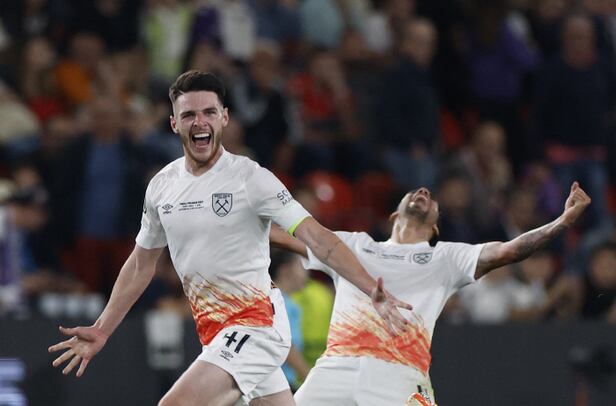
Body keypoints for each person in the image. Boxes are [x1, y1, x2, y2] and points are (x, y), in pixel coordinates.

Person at [47, 70, 411, 406]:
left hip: (256, 325)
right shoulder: (161, 187)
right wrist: (102, 329)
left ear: (224, 118)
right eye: (189, 115)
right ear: (174, 123)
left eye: (209, 112)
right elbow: (141, 263)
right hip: (215, 331)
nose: (199, 122)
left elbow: (319, 238)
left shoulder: (251, 179)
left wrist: (369, 287)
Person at [270, 182, 591, 405]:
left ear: (436, 226)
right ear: (393, 216)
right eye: (415, 191)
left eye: (430, 196)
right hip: (336, 367)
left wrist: (562, 222)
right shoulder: (353, 244)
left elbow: (510, 250)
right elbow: (281, 237)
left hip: (400, 373)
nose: (423, 192)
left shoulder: (447, 257)